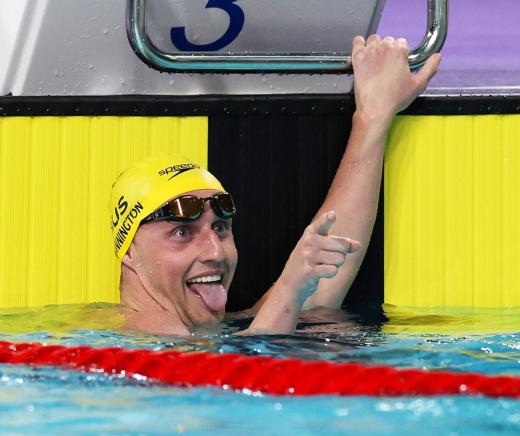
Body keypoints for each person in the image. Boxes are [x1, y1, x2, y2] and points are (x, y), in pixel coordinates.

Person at [111, 35, 441, 336]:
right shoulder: (137, 336)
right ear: (129, 252)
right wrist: (288, 288)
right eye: (182, 233)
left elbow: (318, 281)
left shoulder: (211, 331)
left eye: (221, 229)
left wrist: (373, 115)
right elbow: (230, 390)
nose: (215, 252)